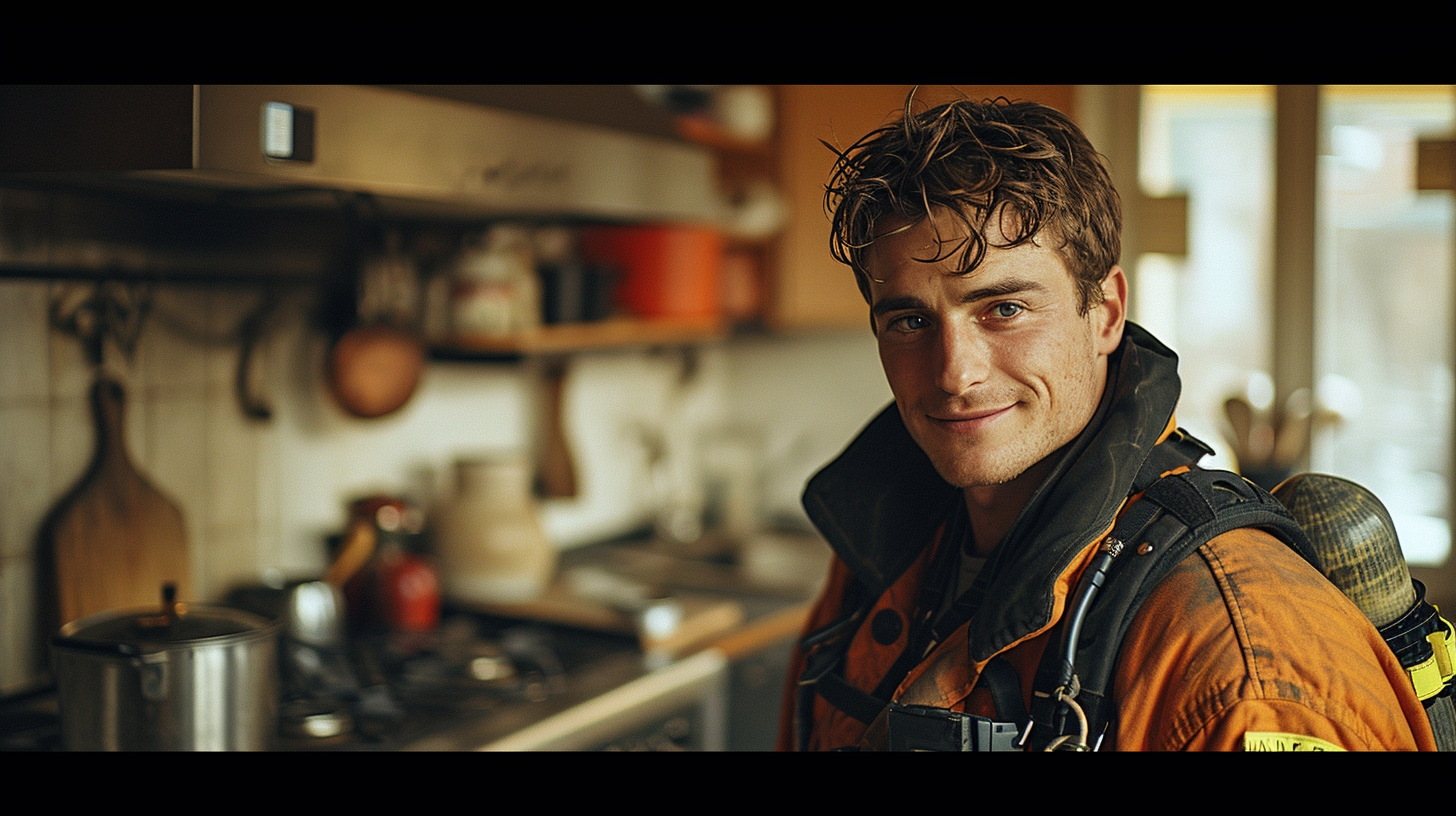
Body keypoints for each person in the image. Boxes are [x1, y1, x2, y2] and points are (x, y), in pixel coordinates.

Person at [778, 94, 1437, 751]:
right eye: (911, 321)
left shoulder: (1241, 660)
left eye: (1004, 309)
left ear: (1108, 313)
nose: (955, 373)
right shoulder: (879, 556)